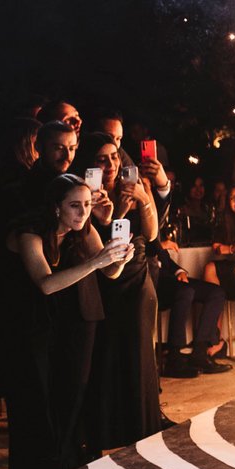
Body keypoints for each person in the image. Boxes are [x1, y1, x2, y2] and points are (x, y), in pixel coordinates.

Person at [3, 175, 132, 469]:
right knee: (38, 399)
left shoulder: (84, 230)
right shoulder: (30, 233)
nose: (83, 212)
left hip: (74, 321)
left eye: (87, 204)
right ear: (56, 207)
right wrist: (96, 262)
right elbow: (46, 284)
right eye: (75, 205)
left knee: (73, 394)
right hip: (33, 323)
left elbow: (109, 272)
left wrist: (119, 259)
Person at [78, 131, 165, 449]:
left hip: (136, 276)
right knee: (107, 354)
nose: (111, 164)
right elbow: (97, 238)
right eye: (102, 159)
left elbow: (151, 235)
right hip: (104, 279)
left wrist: (143, 199)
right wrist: (116, 213)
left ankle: (142, 429)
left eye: (114, 156)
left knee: (139, 353)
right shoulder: (86, 194)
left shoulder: (134, 184)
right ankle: (108, 431)